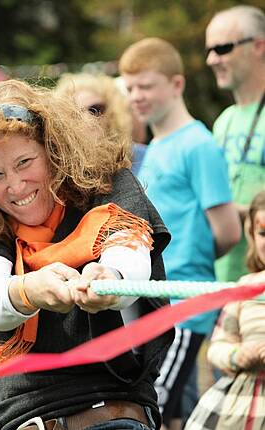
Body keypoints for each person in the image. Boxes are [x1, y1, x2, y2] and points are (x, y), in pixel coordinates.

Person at [0, 78, 174, 430]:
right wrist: (32, 289)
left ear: (53, 150)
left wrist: (110, 281)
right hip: (24, 418)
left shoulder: (109, 184)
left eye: (25, 162)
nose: (15, 185)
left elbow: (128, 251)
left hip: (113, 413)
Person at [120, 37, 242, 430]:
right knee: (172, 412)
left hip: (183, 304)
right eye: (130, 86)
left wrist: (191, 262)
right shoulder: (155, 147)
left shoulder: (198, 145)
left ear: (176, 84)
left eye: (146, 85)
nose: (136, 95)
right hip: (154, 300)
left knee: (152, 403)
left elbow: (227, 229)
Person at [185, 188, 265, 430]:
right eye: (263, 233)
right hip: (244, 408)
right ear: (252, 235)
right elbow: (217, 347)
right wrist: (238, 354)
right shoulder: (245, 288)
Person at [206, 5, 265, 284]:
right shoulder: (223, 121)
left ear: (259, 46)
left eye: (222, 48)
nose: (211, 59)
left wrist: (238, 212)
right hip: (223, 281)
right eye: (208, 50)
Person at [54, 73, 137, 172]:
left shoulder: (143, 158)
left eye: (95, 109)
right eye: (75, 113)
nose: (88, 119)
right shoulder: (59, 171)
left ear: (113, 112)